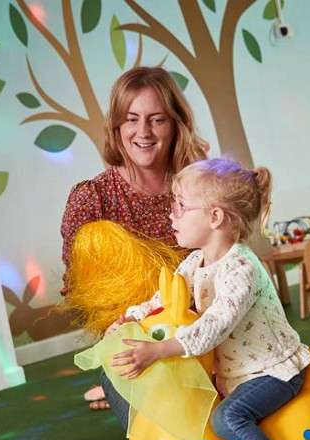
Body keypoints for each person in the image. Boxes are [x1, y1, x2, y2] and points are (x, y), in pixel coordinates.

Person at [109, 158, 310, 440]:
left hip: (275, 370)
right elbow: (164, 299)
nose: (171, 214)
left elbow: (214, 326)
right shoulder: (194, 263)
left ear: (215, 217)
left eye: (181, 206)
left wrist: (160, 350)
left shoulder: (242, 268)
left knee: (226, 419)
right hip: (235, 373)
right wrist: (132, 317)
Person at [60, 67, 208, 411]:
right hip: (136, 347)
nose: (143, 132)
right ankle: (112, 386)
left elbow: (227, 260)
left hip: (208, 331)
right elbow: (78, 289)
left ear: (176, 125)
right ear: (117, 127)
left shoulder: (200, 185)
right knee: (174, 428)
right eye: (131, 119)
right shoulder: (92, 198)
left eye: (157, 120)